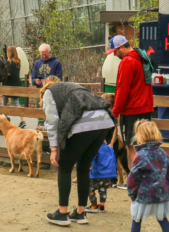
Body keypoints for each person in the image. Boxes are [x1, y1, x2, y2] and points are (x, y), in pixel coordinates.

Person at [42, 80, 116, 226]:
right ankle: (81, 213)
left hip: (84, 124)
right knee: (83, 167)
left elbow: (52, 121)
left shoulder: (48, 93)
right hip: (104, 122)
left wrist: (54, 149)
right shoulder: (72, 87)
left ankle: (62, 213)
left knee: (64, 167)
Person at [107, 35, 154, 166]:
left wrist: (115, 112)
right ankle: (145, 179)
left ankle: (135, 181)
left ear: (121, 47)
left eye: (115, 51)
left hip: (132, 110)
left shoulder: (127, 61)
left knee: (132, 145)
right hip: (146, 107)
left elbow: (122, 90)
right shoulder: (142, 57)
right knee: (144, 145)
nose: (114, 55)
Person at [127, 120, 169, 232]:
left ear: (139, 135)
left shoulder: (140, 155)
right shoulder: (163, 153)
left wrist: (132, 194)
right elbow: (167, 174)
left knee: (136, 219)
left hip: (144, 193)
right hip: (161, 192)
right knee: (162, 218)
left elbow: (133, 177)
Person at [86, 143, 117, 213]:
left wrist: (90, 165)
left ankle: (94, 205)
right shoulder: (110, 148)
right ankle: (102, 206)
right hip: (107, 174)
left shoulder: (95, 147)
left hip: (97, 173)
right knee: (103, 189)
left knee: (91, 189)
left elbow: (92, 157)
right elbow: (113, 160)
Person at [4, 46, 26, 129]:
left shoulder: (9, 63)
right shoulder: (18, 62)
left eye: (7, 52)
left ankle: (5, 117)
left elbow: (9, 74)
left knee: (4, 103)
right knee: (17, 103)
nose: (6, 53)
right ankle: (22, 120)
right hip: (17, 84)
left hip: (9, 85)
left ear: (10, 53)